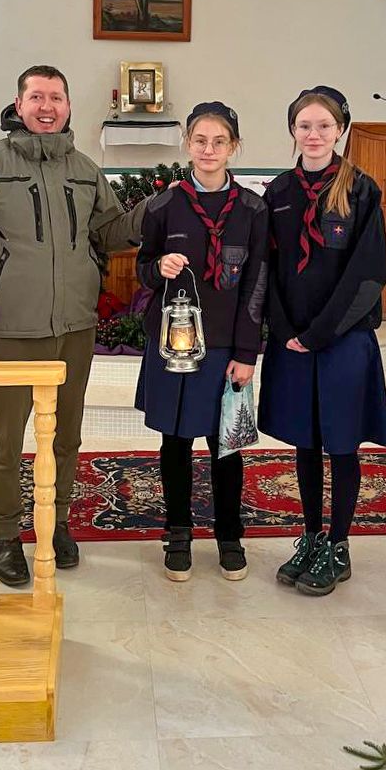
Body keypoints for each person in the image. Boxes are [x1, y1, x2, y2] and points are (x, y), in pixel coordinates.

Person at [0, 65, 146, 587]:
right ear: (19, 104)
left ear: (68, 106)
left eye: (56, 97)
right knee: (5, 440)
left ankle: (56, 523)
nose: (46, 107)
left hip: (75, 326)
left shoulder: (85, 169)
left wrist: (157, 210)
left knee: (65, 436)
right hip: (13, 328)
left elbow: (110, 233)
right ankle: (7, 535)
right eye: (37, 97)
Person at [258, 85, 386, 596]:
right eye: (304, 126)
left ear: (341, 130)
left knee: (341, 443)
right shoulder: (278, 193)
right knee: (306, 441)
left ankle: (338, 544)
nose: (313, 135)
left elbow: (368, 274)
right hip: (292, 340)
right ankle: (311, 536)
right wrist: (285, 329)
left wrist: (319, 334)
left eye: (324, 126)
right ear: (292, 131)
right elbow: (266, 268)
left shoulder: (360, 190)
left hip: (342, 340)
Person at [135, 102, 268, 582]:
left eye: (219, 141)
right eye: (200, 141)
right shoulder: (164, 205)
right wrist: (158, 267)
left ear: (234, 147)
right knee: (175, 441)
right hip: (174, 345)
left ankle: (229, 534)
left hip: (226, 347)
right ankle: (178, 532)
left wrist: (247, 354)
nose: (208, 150)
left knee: (225, 444)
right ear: (187, 144)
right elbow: (142, 268)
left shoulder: (253, 210)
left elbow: (257, 282)